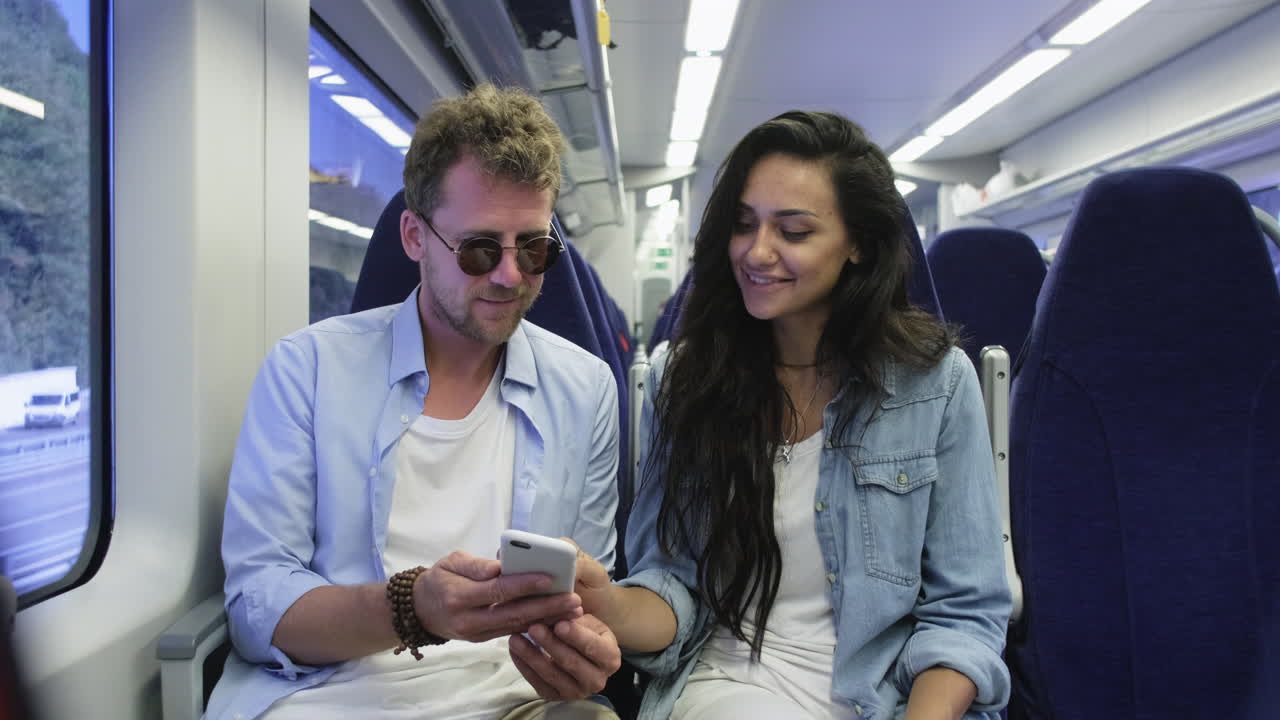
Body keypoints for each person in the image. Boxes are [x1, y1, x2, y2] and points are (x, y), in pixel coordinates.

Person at [520, 111, 1011, 719]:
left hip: (885, 699)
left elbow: (963, 614)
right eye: (744, 224)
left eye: (794, 232)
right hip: (720, 690)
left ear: (858, 243)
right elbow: (672, 586)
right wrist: (606, 603)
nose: (757, 252)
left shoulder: (935, 385)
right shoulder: (690, 377)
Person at [207, 84, 623, 720]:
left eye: (534, 249)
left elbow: (588, 595)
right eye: (481, 249)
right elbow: (260, 610)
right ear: (413, 237)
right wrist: (411, 609)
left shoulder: (586, 389)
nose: (510, 275)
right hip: (327, 698)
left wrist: (582, 653)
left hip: (512, 699)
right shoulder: (308, 370)